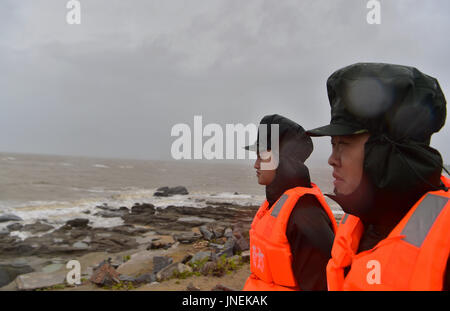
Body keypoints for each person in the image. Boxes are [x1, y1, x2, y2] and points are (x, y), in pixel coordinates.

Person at [306, 62, 450, 290]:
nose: (332, 159)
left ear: (386, 151)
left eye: (343, 144)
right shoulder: (358, 221)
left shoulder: (445, 236)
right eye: (333, 145)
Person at [242, 114, 337, 291]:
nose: (256, 165)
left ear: (281, 161)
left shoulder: (305, 214)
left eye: (261, 157)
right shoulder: (276, 204)